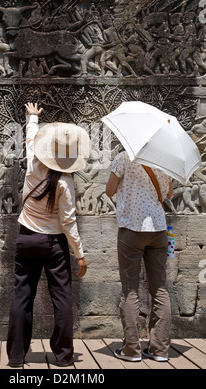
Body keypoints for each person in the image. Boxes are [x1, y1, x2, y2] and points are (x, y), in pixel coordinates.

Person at [6, 102, 90, 368]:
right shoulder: (66, 182)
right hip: (54, 243)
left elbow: (31, 139)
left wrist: (32, 117)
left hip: (27, 237)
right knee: (62, 298)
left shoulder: (32, 164)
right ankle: (64, 356)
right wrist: (80, 255)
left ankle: (17, 357)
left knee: (22, 296)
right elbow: (68, 222)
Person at [105, 150, 174, 363]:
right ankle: (160, 350)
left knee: (130, 289)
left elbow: (109, 191)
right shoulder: (165, 159)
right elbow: (169, 195)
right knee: (160, 288)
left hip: (131, 229)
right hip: (159, 230)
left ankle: (132, 350)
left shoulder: (124, 158)